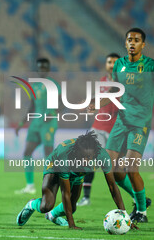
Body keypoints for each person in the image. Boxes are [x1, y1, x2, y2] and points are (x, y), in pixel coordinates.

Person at [88, 28, 153, 223]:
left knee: (132, 169)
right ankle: (138, 199)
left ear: (143, 45)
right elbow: (115, 92)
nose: (132, 43)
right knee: (112, 170)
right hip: (121, 121)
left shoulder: (150, 66)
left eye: (137, 40)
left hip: (139, 123)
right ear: (125, 43)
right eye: (129, 40)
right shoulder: (120, 65)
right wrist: (96, 103)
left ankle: (141, 212)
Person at [16, 131, 136, 229]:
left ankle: (52, 216)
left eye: (88, 157)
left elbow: (112, 187)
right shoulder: (65, 155)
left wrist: (126, 218)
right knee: (46, 206)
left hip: (78, 173)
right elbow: (65, 192)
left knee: (72, 208)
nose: (85, 161)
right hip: (55, 167)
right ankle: (32, 204)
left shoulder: (103, 157)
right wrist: (71, 224)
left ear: (95, 154)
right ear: (76, 152)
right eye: (82, 157)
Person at [77, 53, 120, 206]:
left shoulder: (124, 81)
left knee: (117, 170)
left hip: (116, 129)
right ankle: (86, 197)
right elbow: (100, 97)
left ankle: (138, 201)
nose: (112, 64)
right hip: (98, 127)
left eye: (115, 62)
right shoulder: (103, 80)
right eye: (109, 62)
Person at [15, 58, 61, 194]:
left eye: (44, 67)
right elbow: (32, 106)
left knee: (48, 155)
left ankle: (51, 185)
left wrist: (51, 114)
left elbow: (61, 104)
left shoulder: (53, 85)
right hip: (36, 122)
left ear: (48, 69)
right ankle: (30, 186)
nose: (42, 70)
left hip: (48, 123)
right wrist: (22, 123)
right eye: (40, 67)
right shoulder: (34, 86)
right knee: (27, 152)